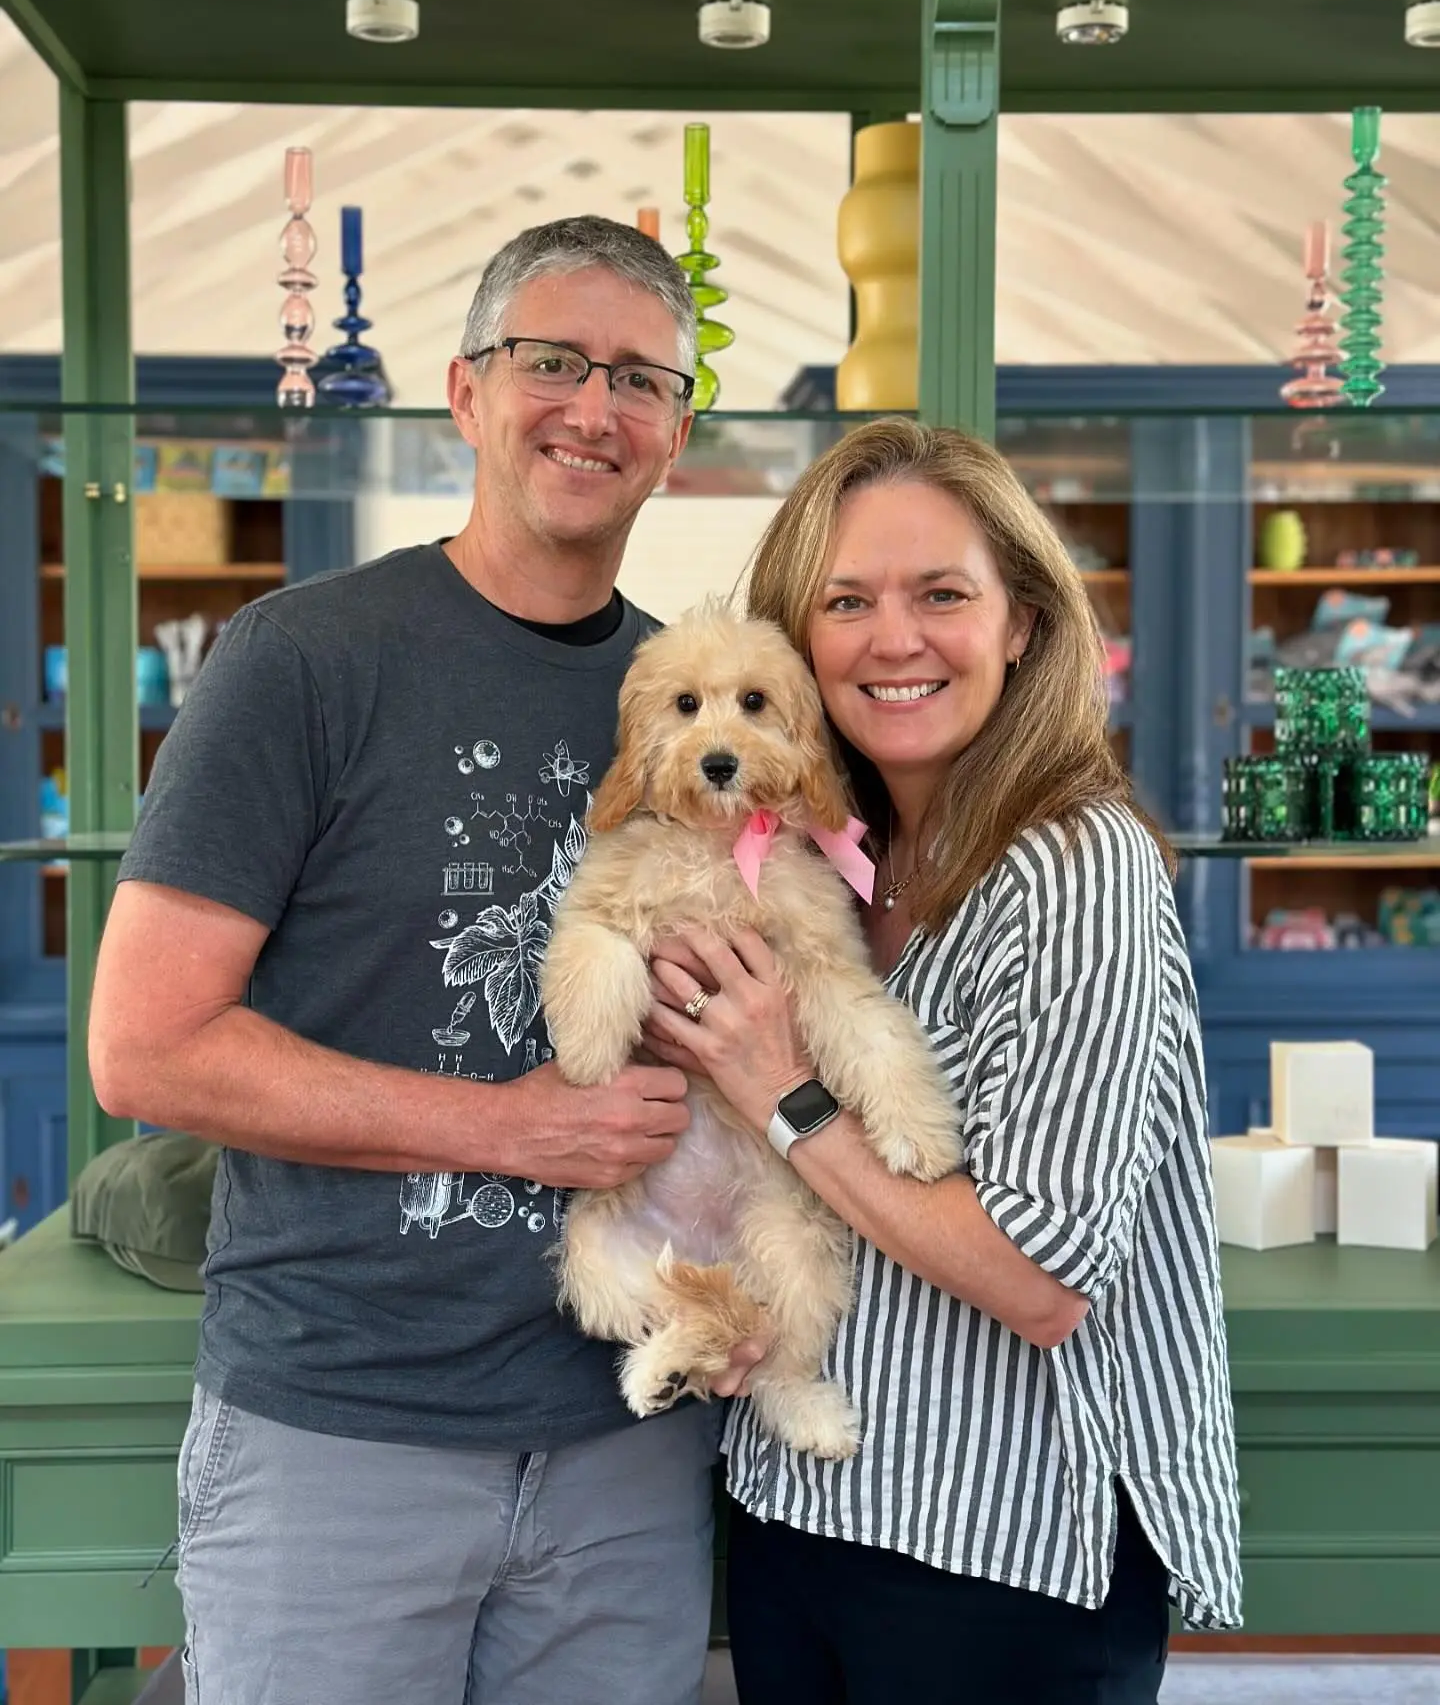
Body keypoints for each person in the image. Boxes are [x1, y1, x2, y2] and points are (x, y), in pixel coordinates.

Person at [87, 216, 728, 1705]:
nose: (594, 408)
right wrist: (510, 1128)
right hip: (340, 1439)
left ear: (677, 432)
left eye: (639, 379)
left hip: (628, 1444)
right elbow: (145, 1047)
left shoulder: (691, 700)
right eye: (553, 361)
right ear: (466, 390)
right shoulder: (302, 659)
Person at [643, 418, 1244, 1704]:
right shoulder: (831, 864)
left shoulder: (1076, 867)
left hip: (995, 1554)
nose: (894, 639)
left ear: (1021, 623)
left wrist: (783, 1094)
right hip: (801, 1504)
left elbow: (1042, 1278)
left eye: (942, 595)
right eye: (846, 602)